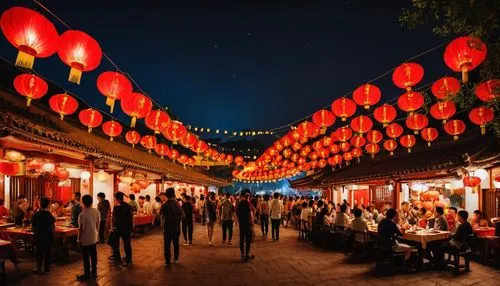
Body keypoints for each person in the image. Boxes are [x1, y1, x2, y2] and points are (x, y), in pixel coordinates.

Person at [77, 195, 100, 281]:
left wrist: (78, 239)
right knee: (94, 255)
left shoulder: (82, 214)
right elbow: (98, 224)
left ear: (83, 202)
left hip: (85, 238)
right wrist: (96, 234)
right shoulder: (96, 211)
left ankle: (87, 273)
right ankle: (94, 271)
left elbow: (81, 228)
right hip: (93, 237)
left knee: (85, 257)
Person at [161, 188, 184, 267]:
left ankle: (167, 262)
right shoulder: (178, 205)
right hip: (176, 228)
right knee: (176, 244)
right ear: (174, 195)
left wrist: (162, 226)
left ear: (167, 195)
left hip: (167, 229)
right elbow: (183, 215)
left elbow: (162, 218)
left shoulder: (164, 205)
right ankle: (176, 259)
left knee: (167, 245)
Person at [31, 196, 55, 273]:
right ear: (48, 205)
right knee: (48, 252)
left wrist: (35, 233)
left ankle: (39, 267)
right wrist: (53, 235)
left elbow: (33, 226)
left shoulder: (36, 214)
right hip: (48, 235)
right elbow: (52, 226)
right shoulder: (49, 214)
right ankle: (47, 268)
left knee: (39, 251)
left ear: (40, 204)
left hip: (39, 235)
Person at [111, 192, 133, 266]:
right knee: (127, 244)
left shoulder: (116, 206)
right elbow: (131, 218)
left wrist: (112, 227)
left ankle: (118, 260)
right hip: (126, 228)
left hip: (118, 228)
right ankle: (129, 260)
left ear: (116, 198)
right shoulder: (128, 206)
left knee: (115, 244)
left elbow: (113, 218)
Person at [236, 190, 254, 261]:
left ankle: (242, 254)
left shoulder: (239, 204)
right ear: (248, 196)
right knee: (248, 240)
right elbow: (251, 213)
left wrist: (237, 222)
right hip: (248, 224)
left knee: (242, 239)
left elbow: (237, 214)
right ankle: (247, 254)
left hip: (242, 224)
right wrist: (252, 222)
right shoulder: (248, 203)